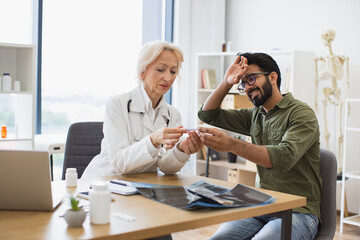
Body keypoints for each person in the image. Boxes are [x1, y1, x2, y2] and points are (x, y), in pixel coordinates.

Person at [198, 52, 322, 240]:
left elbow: (284, 157)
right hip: (262, 204)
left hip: (299, 211)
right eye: (243, 83)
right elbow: (208, 115)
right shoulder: (255, 115)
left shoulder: (301, 113)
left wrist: (232, 144)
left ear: (272, 77)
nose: (247, 87)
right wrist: (226, 82)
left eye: (251, 78)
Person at [82, 40, 202, 180]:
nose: (168, 78)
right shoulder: (117, 104)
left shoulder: (172, 114)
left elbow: (165, 167)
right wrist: (153, 140)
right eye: (160, 69)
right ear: (142, 72)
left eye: (173, 71)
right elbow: (119, 163)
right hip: (106, 182)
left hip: (143, 185)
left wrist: (181, 150)